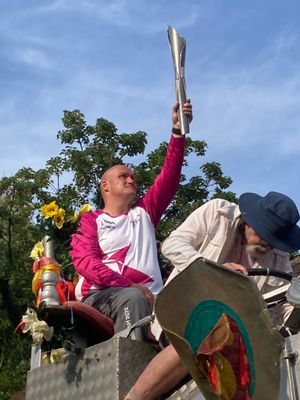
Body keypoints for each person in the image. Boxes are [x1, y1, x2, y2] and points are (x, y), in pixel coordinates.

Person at [125, 191, 300, 400]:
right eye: (265, 236)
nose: (268, 246)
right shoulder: (217, 212)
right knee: (204, 337)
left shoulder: (280, 259)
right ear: (249, 221)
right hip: (182, 312)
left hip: (238, 333)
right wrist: (212, 271)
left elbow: (281, 304)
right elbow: (172, 245)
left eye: (274, 241)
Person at [70, 100, 193, 342]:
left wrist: (178, 132)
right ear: (105, 186)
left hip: (156, 301)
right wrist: (129, 285)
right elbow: (85, 263)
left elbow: (169, 176)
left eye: (133, 177)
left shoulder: (144, 212)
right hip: (104, 295)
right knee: (133, 299)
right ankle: (132, 373)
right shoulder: (92, 221)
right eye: (123, 176)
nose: (131, 180)